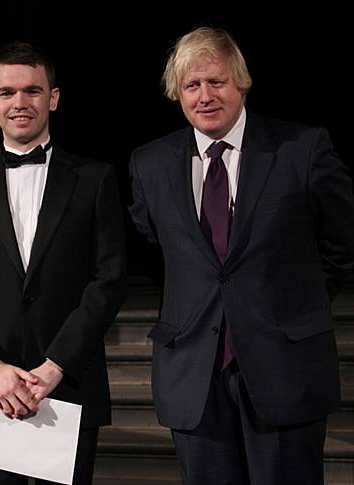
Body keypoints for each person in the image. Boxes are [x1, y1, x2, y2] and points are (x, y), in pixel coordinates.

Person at [128, 26, 354, 484]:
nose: (205, 95)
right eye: (192, 85)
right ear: (177, 93)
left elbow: (342, 243)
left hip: (284, 367)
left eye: (217, 82)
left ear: (241, 83)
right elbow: (152, 251)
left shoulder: (302, 148)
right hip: (194, 372)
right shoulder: (148, 163)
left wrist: (290, 306)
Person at [0, 41, 126, 484]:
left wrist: (56, 364)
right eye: (7, 92)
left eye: (32, 91)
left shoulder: (95, 179)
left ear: (53, 98)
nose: (20, 103)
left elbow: (109, 280)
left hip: (69, 383)